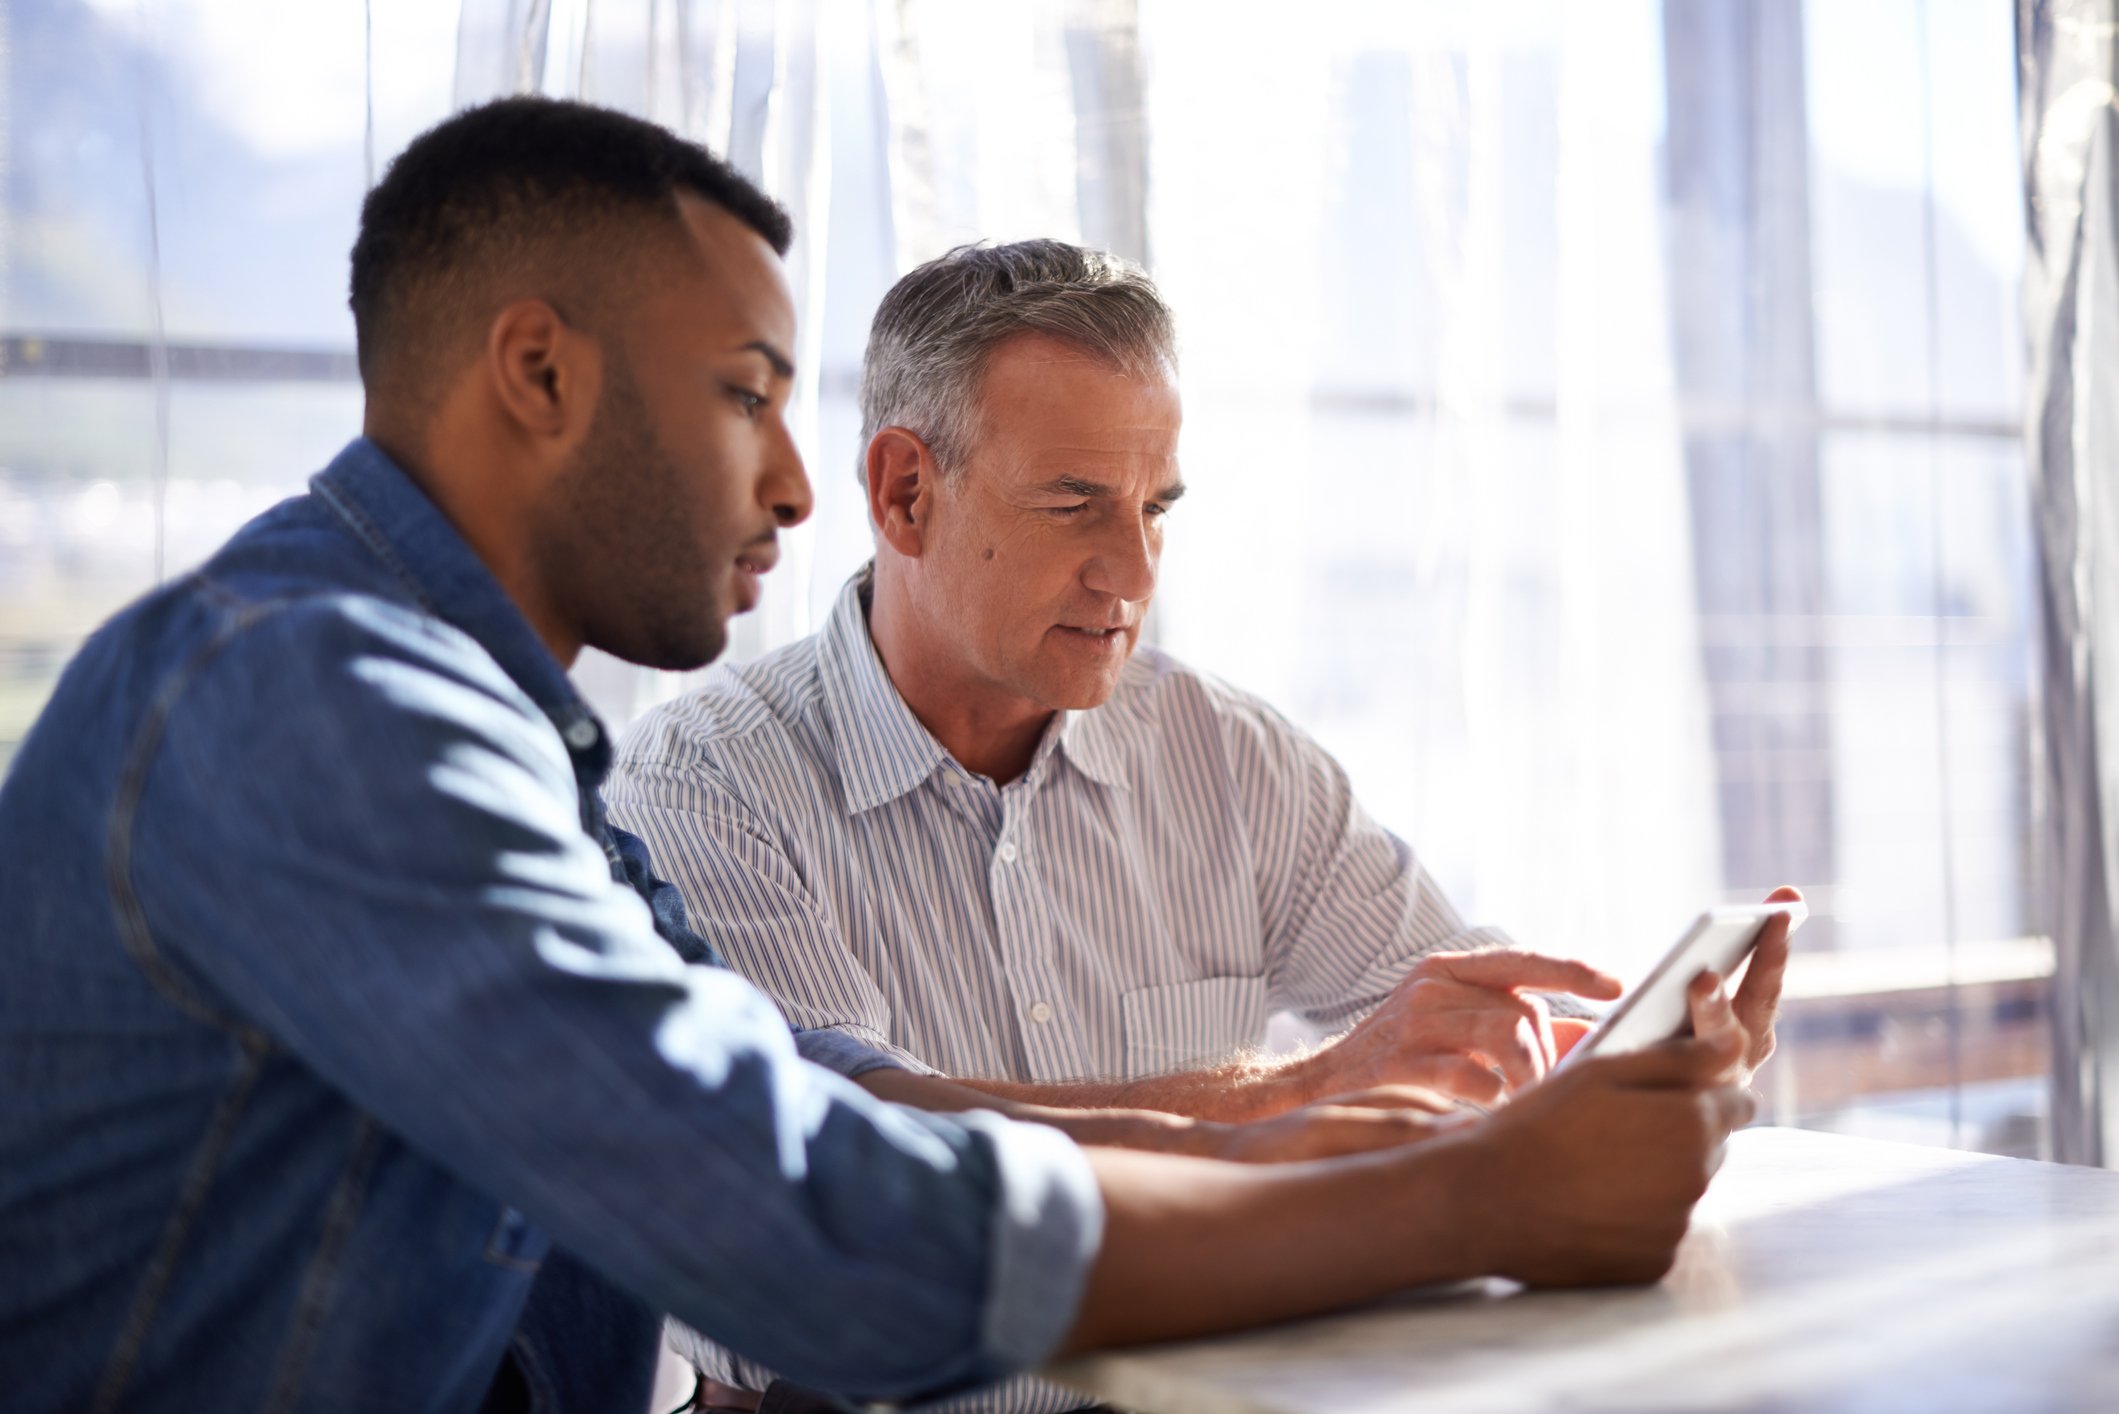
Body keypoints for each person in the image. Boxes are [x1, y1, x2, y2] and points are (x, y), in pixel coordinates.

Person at [0, 102, 1761, 1414]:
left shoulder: (487, 729)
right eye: (743, 393)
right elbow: (787, 1216)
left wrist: (1339, 1124)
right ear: (535, 371)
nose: (791, 481)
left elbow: (815, 1086)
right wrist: (1456, 1187)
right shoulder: (317, 701)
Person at [606, 240, 1794, 1409]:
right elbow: (843, 1145)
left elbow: (1460, 1038)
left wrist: (1637, 1072)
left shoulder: (1229, 756)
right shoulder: (705, 784)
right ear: (905, 493)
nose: (1131, 570)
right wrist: (1295, 1087)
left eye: (1155, 506)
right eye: (1075, 503)